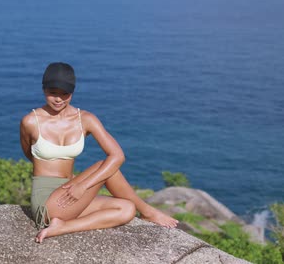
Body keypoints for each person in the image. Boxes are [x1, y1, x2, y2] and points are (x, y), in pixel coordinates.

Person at [20, 62, 178, 243]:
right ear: (43, 89)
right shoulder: (31, 121)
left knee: (126, 209)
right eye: (53, 93)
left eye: (65, 94)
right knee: (103, 166)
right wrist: (74, 184)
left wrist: (81, 186)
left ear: (72, 92)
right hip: (47, 202)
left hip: (71, 192)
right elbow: (28, 152)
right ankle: (149, 211)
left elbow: (118, 155)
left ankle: (63, 227)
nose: (58, 99)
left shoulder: (86, 119)